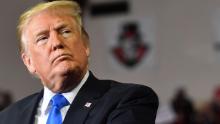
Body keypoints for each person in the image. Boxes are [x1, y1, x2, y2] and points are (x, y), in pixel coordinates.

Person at [0, 1, 158, 124]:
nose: (56, 43)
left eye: (65, 31)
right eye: (43, 38)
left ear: (85, 45)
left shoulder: (128, 100)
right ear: (29, 62)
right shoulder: (8, 118)